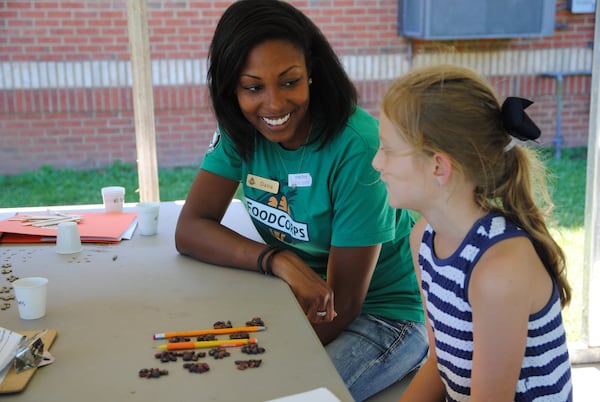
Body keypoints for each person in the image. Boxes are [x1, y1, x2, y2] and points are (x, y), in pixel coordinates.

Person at [174, 0, 428, 400]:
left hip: (386, 314)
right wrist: (277, 259)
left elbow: (342, 303)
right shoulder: (241, 128)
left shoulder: (356, 146)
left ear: (312, 71)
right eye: (253, 87)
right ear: (231, 88)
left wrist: (263, 359)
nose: (273, 104)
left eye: (289, 81)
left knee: (281, 392)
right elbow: (191, 228)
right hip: (291, 294)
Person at [372, 64, 573, 401]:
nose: (377, 162)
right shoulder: (423, 238)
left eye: (388, 150)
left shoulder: (498, 271)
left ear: (439, 166)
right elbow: (439, 364)